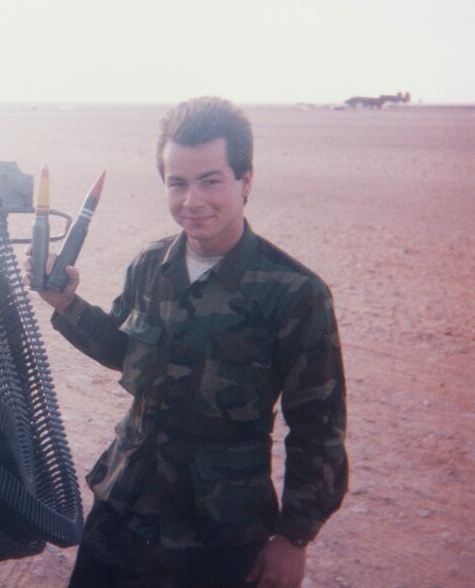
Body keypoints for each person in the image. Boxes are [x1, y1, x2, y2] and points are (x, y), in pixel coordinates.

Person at [27, 97, 348, 588]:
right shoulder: (150, 266)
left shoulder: (294, 294)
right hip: (122, 513)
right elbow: (124, 349)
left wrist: (293, 539)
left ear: (246, 181)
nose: (191, 201)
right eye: (177, 183)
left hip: (218, 537)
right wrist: (67, 304)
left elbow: (317, 430)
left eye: (211, 180)